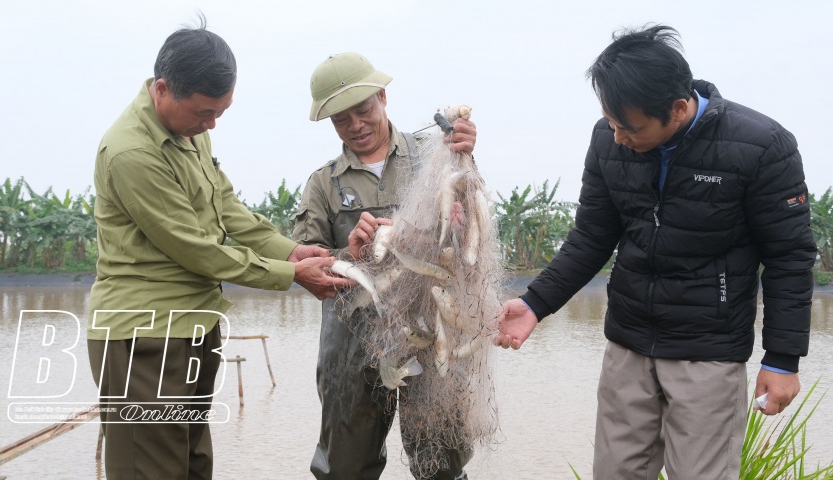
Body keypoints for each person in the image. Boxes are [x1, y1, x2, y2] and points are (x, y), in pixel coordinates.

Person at [495, 25, 816, 479]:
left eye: (630, 126)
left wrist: (782, 359)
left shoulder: (762, 146)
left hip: (708, 352)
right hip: (627, 344)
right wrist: (534, 303)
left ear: (679, 108)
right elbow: (591, 237)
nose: (618, 135)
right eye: (610, 119)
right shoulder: (608, 140)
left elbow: (789, 258)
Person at [87, 19, 351, 480]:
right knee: (151, 471)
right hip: (144, 338)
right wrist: (290, 275)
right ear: (163, 89)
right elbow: (195, 249)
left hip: (194, 325)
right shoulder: (132, 152)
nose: (210, 124)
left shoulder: (189, 130)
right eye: (204, 113)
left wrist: (290, 251)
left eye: (219, 114)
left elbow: (226, 207)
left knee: (193, 465)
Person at [292, 52, 478, 480]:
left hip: (434, 335)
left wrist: (466, 160)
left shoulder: (436, 154)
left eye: (363, 110)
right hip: (351, 345)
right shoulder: (323, 183)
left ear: (382, 97)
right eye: (341, 119)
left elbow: (468, 231)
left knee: (441, 463)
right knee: (345, 466)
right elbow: (305, 268)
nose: (355, 125)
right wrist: (350, 255)